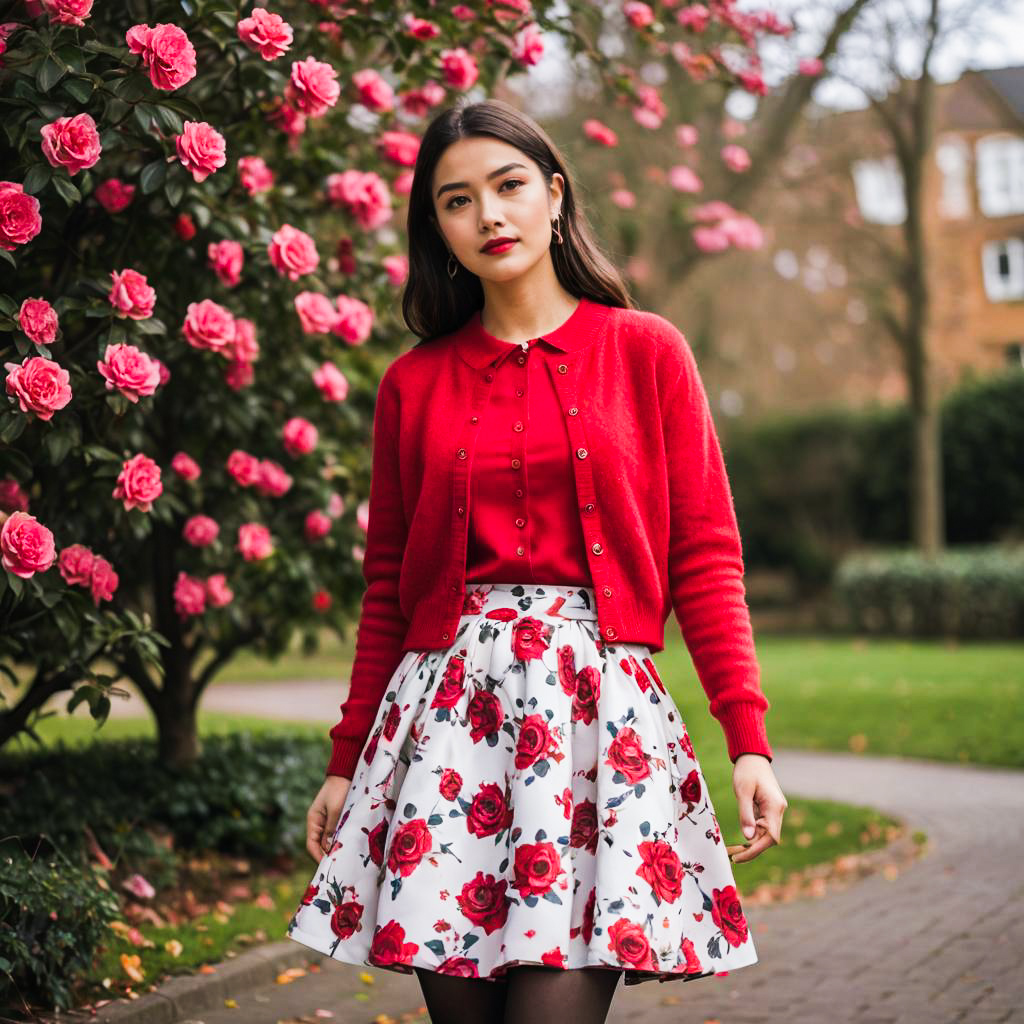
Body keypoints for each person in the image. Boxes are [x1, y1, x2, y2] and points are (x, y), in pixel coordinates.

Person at [287, 98, 788, 1024]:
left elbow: (708, 556)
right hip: (446, 731)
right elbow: (388, 590)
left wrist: (746, 737)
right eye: (458, 200)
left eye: (510, 186)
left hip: (599, 726)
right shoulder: (412, 383)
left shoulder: (647, 352)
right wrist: (346, 759)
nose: (490, 216)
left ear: (554, 195)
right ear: (436, 227)